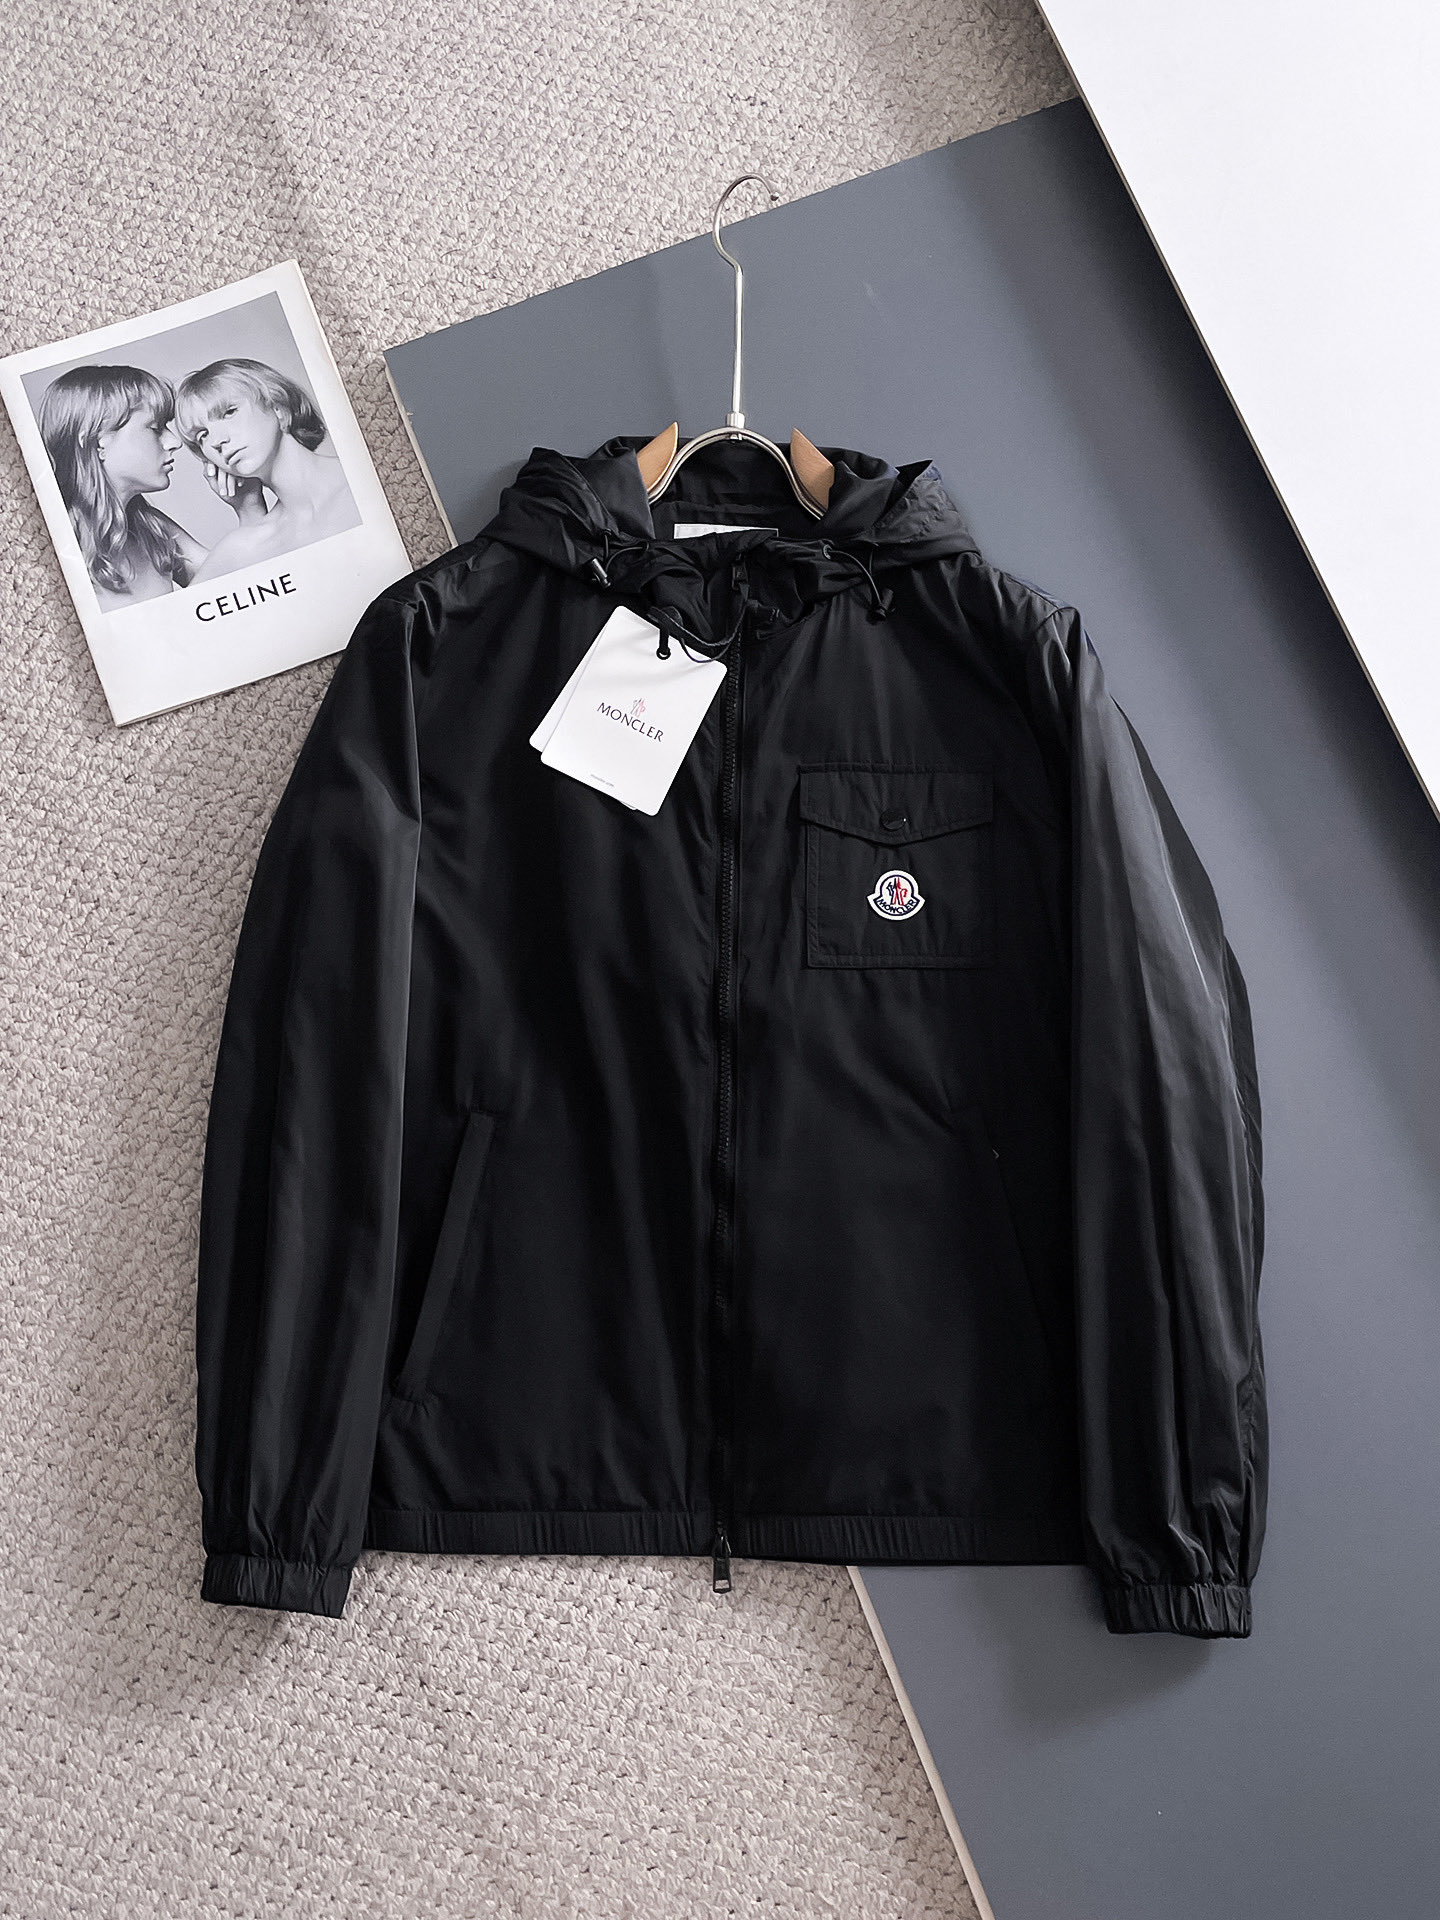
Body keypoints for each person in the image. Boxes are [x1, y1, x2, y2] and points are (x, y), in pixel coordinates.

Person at [36, 363, 263, 610]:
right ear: (98, 440)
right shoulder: (50, 542)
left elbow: (244, 588)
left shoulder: (151, 528)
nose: (174, 442)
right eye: (155, 428)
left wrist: (248, 507)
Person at [174, 358, 358, 581]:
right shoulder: (240, 546)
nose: (216, 441)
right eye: (202, 435)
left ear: (277, 407)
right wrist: (249, 510)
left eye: (229, 412)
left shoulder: (366, 477)